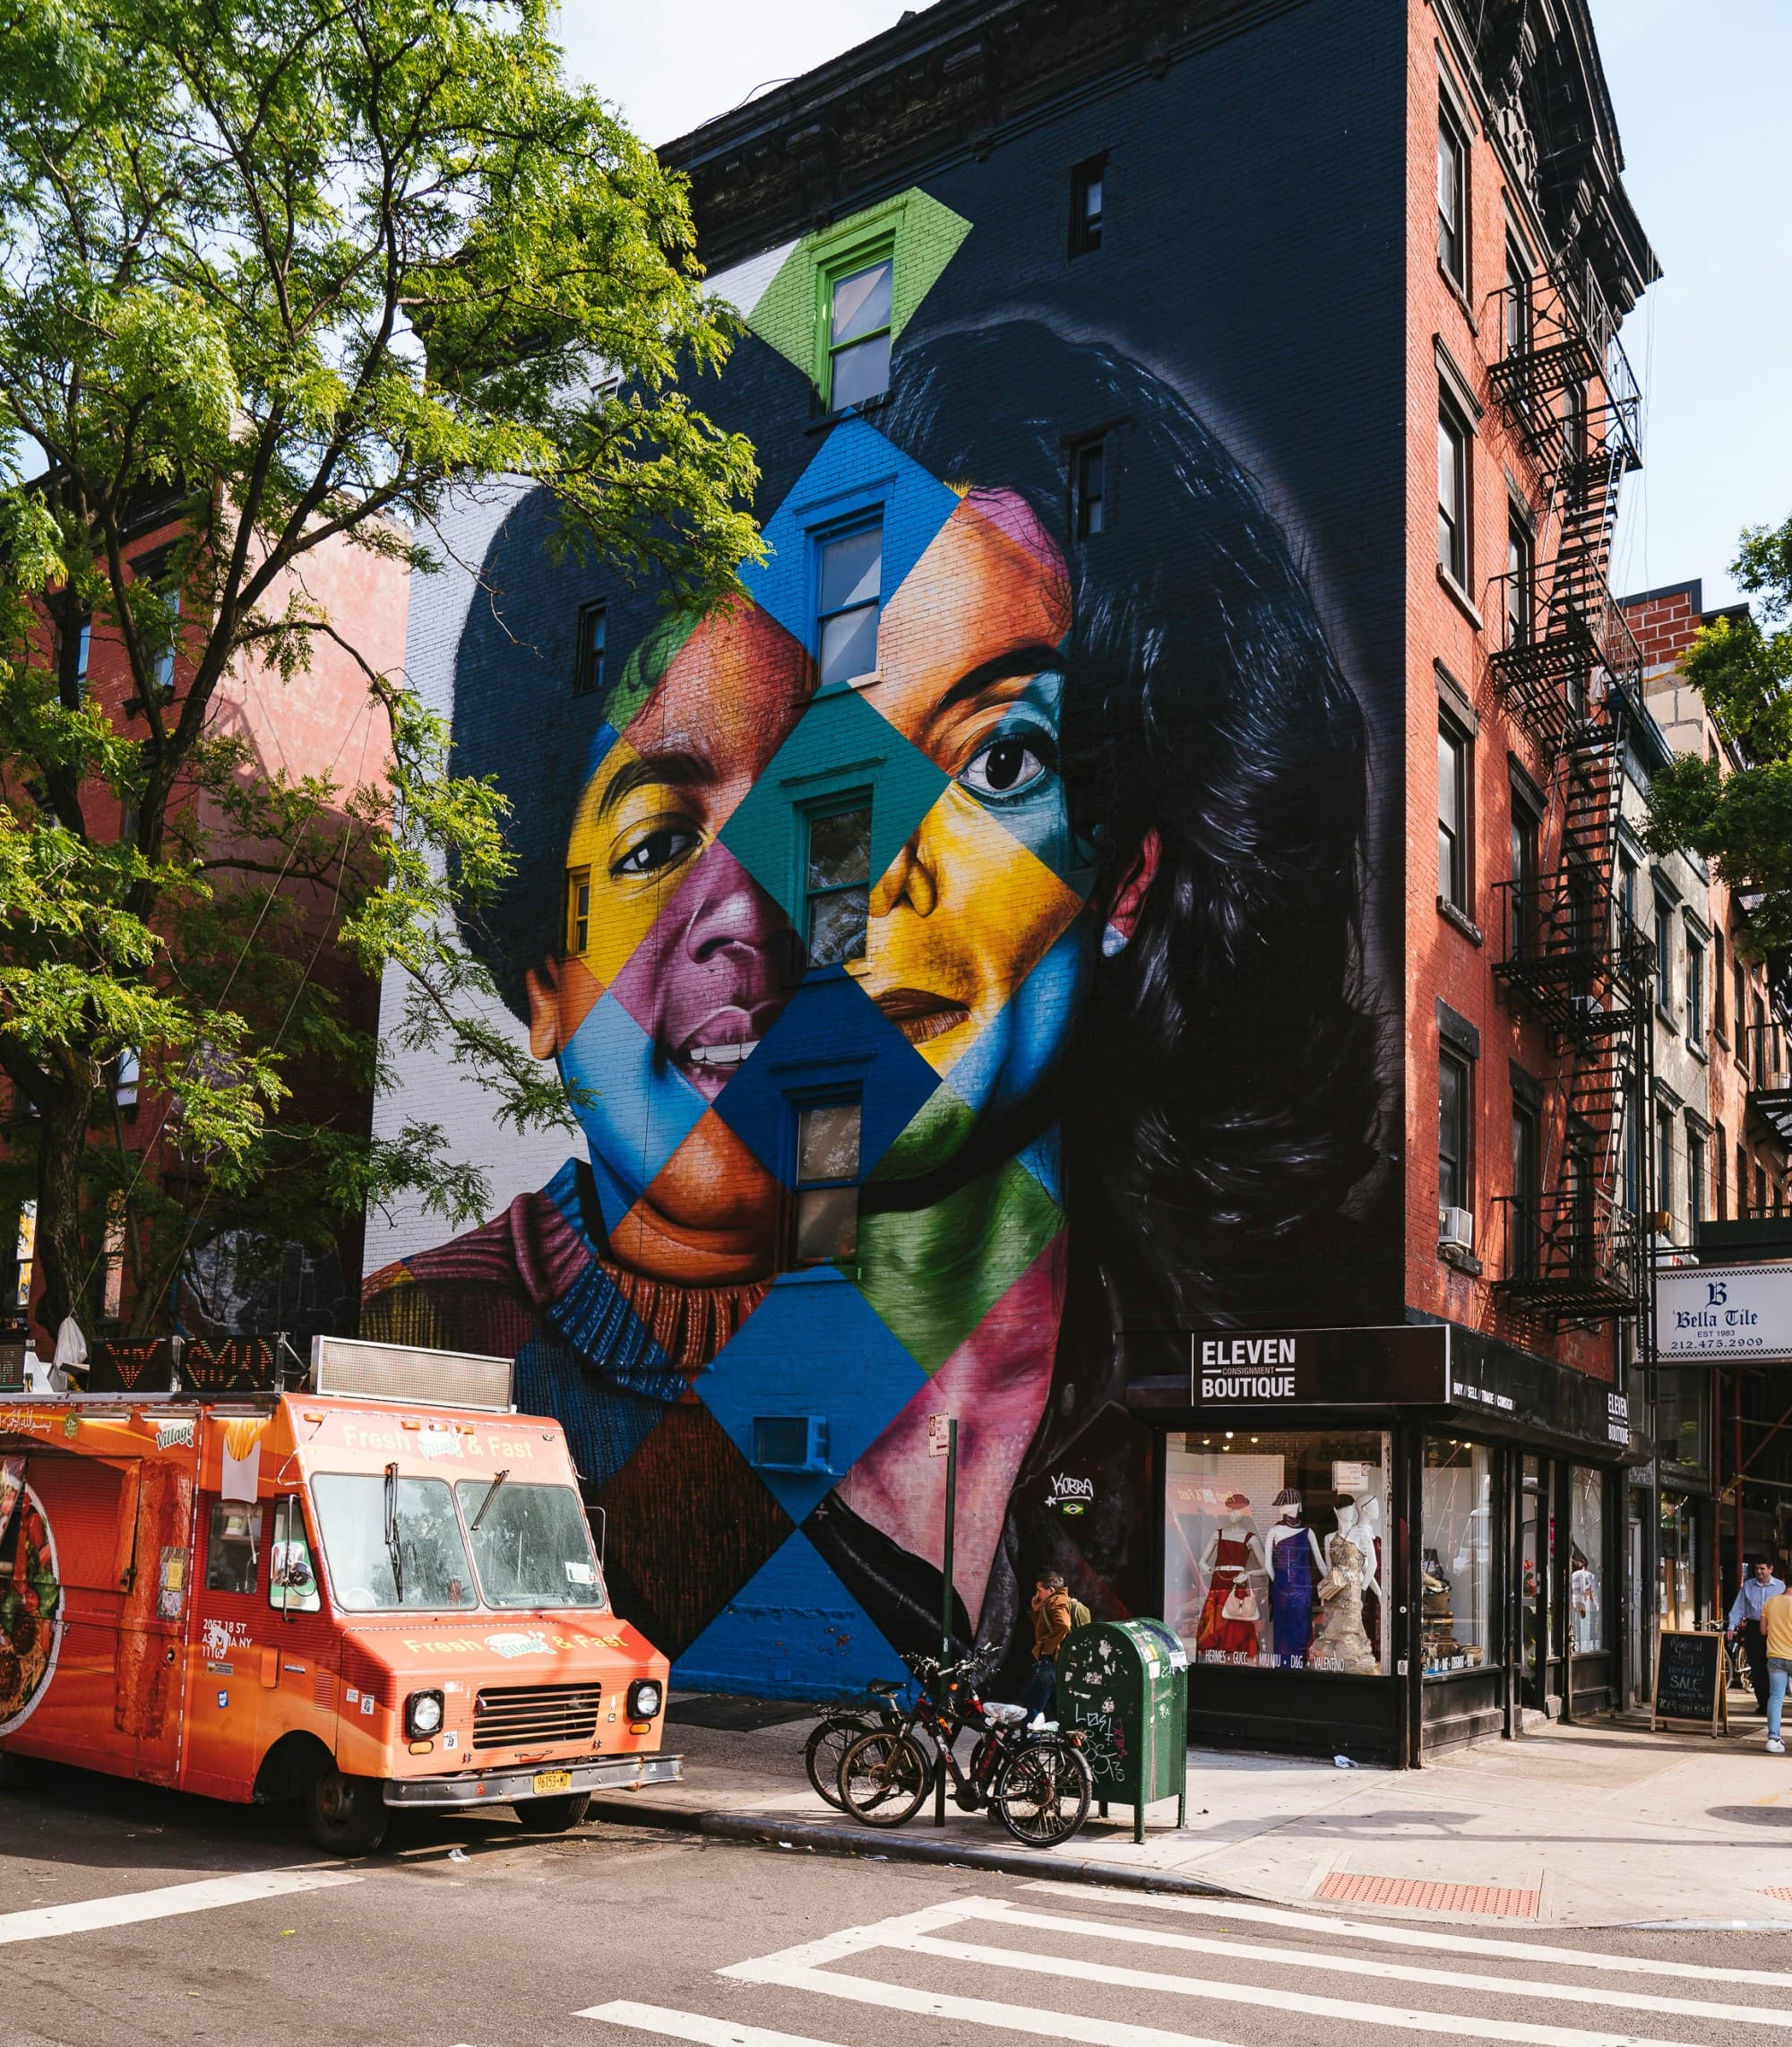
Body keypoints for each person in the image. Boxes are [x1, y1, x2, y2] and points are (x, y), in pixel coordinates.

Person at [367, 318, 1381, 1689]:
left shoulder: (1169, 1341)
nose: (784, 906)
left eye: (998, 759)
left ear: (1128, 868)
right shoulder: (441, 1339)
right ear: (542, 977)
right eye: (664, 842)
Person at [1727, 1559, 1785, 1714]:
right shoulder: (1748, 1586)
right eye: (1757, 1569)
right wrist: (1731, 1626)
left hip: (1774, 1629)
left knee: (1773, 1666)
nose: (1759, 1572)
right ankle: (1763, 1703)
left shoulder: (1780, 1587)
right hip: (1753, 1627)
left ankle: (1773, 1703)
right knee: (1756, 1666)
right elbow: (1738, 1608)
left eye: (1762, 1569)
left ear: (1771, 1569)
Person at [1024, 1569, 1075, 1722]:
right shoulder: (1051, 1602)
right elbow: (1045, 1629)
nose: (1037, 1594)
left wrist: (1047, 1649)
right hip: (1054, 1661)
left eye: (1039, 1590)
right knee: (1055, 1706)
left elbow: (1064, 1625)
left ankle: (1027, 1741)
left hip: (1049, 1661)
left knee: (1033, 1705)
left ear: (1051, 1590)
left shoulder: (1056, 1600)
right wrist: (1036, 1611)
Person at [1764, 1581, 1792, 1752]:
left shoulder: (1771, 1601)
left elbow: (1762, 1629)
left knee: (1776, 1697)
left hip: (1775, 1656)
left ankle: (1773, 1740)